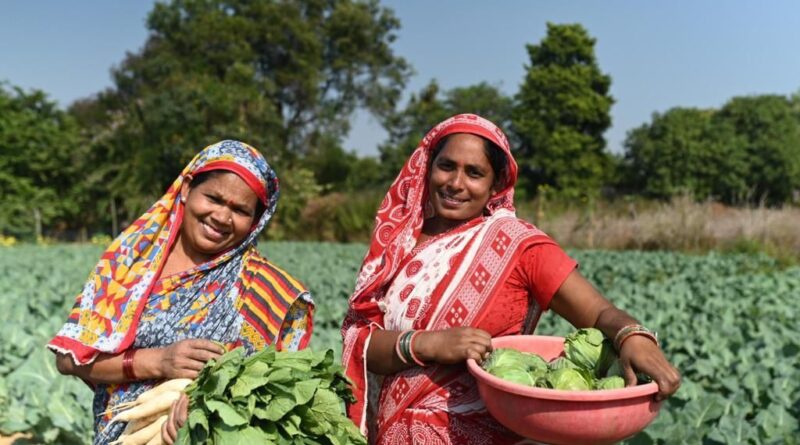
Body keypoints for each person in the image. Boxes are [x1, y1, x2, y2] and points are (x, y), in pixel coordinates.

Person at [341, 114, 681, 444]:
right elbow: (360, 344)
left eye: (474, 173)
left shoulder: (517, 245)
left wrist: (632, 335)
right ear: (428, 167)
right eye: (446, 166)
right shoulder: (396, 244)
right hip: (388, 430)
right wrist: (429, 344)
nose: (456, 183)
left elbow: (598, 313)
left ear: (495, 185)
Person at [48, 140, 314, 445]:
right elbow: (69, 361)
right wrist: (159, 361)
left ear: (256, 221)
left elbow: (280, 394)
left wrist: (210, 405)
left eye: (241, 210)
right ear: (187, 189)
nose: (222, 217)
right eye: (213, 198)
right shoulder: (130, 262)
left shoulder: (267, 290)